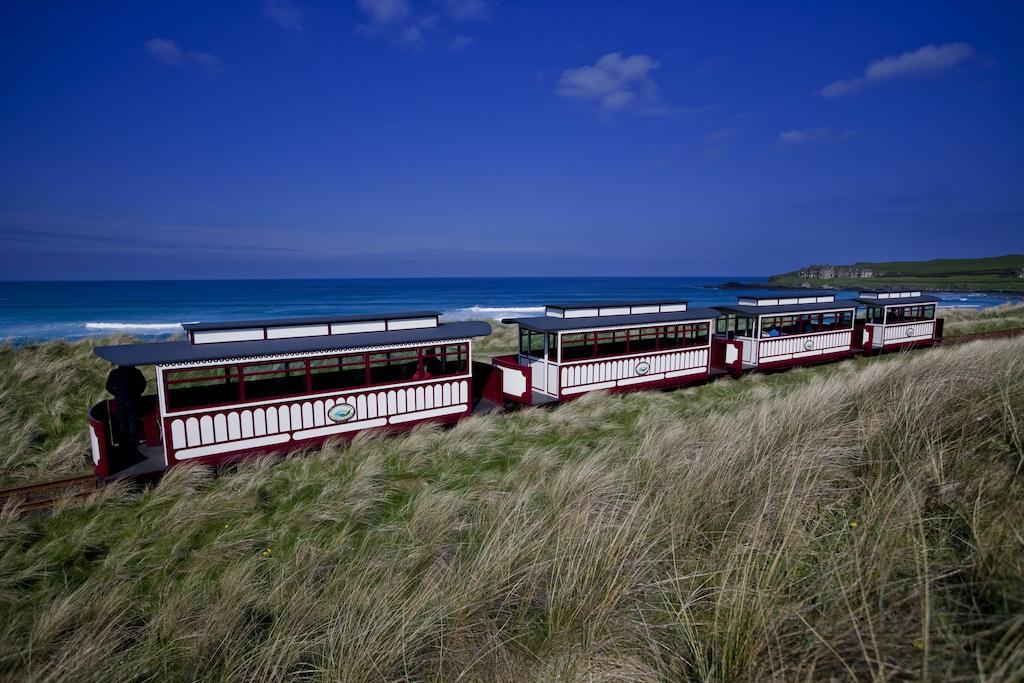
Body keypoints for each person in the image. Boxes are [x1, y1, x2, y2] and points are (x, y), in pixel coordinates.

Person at [106, 365, 147, 451]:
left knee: (121, 420)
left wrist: (117, 394)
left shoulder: (114, 373)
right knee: (133, 420)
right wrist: (137, 392)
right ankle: (133, 441)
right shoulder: (136, 372)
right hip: (134, 400)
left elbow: (108, 387)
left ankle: (123, 442)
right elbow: (143, 384)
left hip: (120, 401)